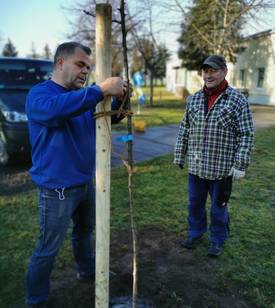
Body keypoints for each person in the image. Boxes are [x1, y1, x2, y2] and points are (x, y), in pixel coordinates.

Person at [25, 41, 130, 307]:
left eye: (88, 67)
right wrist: (100, 89)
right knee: (48, 248)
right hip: (57, 190)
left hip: (86, 183)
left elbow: (107, 117)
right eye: (80, 64)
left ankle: (86, 271)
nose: (85, 71)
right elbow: (57, 111)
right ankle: (35, 299)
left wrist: (120, 97)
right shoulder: (40, 95)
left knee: (84, 233)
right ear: (60, 63)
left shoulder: (82, 99)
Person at [174, 55, 254, 257]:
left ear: (224, 72)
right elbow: (185, 128)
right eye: (205, 71)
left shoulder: (237, 101)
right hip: (197, 166)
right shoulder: (193, 99)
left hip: (222, 169)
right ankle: (195, 233)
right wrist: (179, 155)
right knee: (194, 204)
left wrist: (240, 164)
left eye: (213, 70)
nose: (208, 75)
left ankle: (217, 240)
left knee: (218, 209)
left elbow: (246, 134)